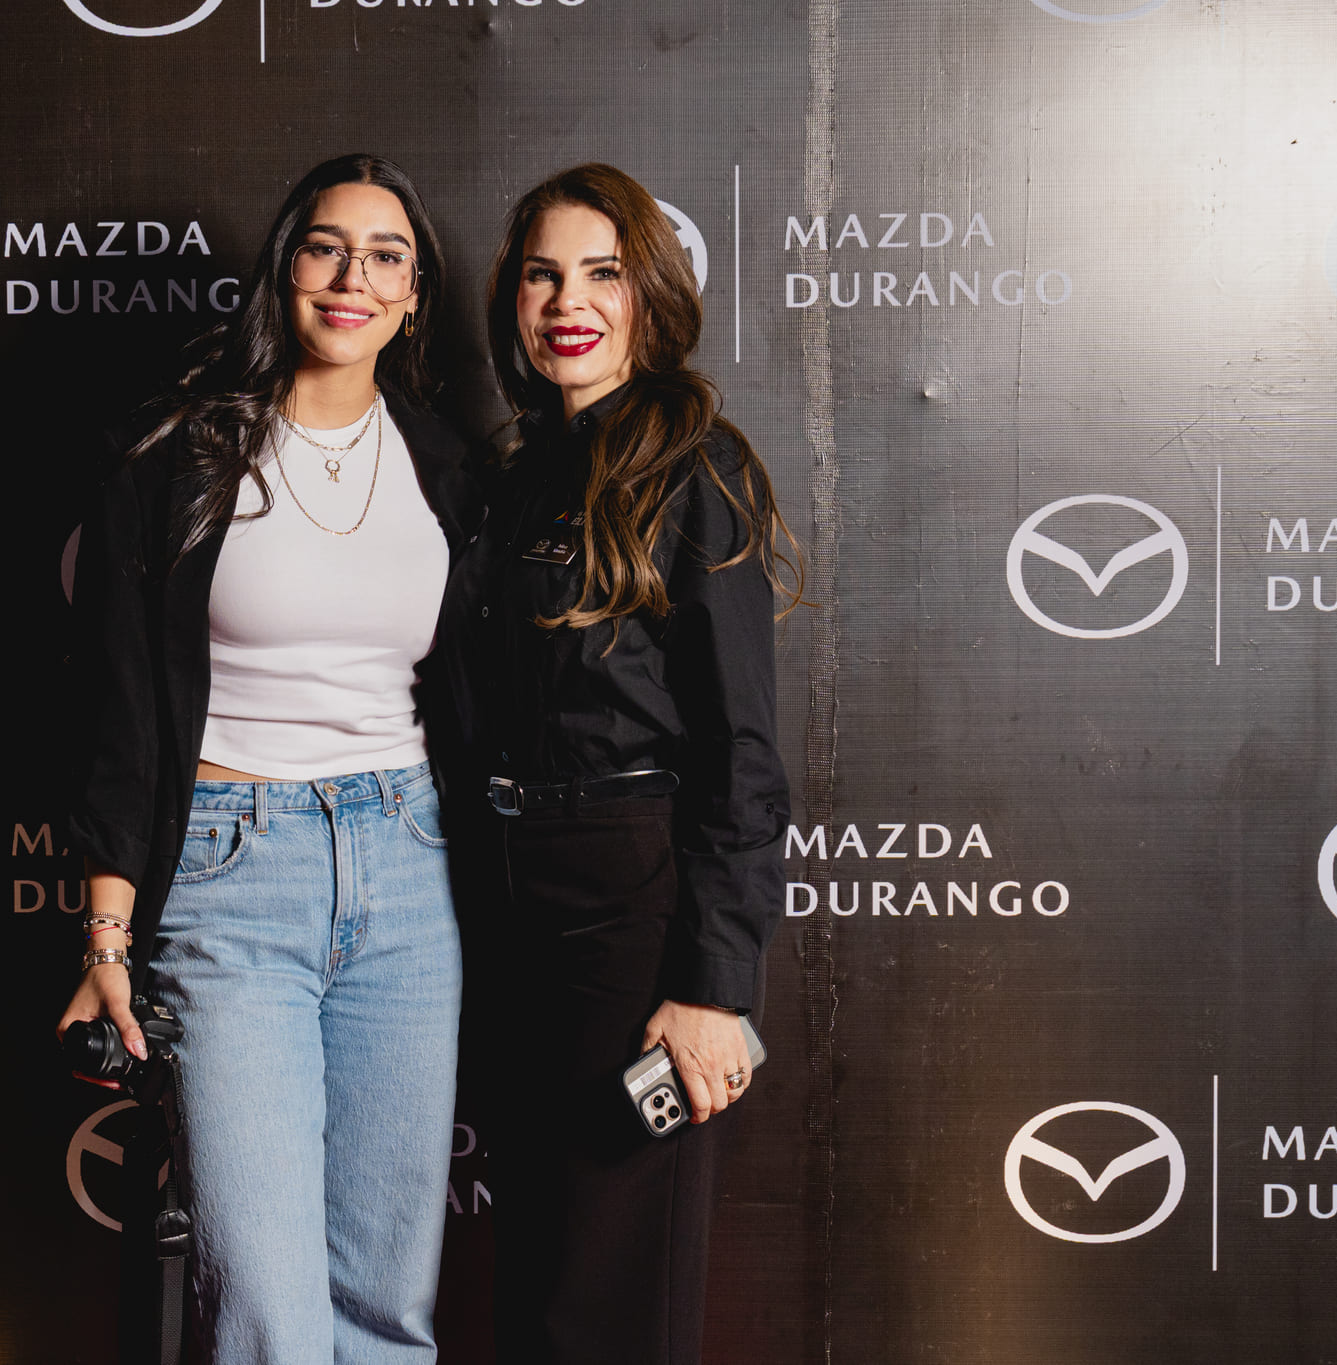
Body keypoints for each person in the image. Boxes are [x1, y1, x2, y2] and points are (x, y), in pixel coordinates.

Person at [57, 153, 480, 1365]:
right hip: (229, 871)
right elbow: (122, 717)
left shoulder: (448, 466)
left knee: (385, 1304)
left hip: (409, 868)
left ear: (413, 296)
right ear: (284, 269)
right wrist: (104, 942)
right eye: (325, 248)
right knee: (263, 1309)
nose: (353, 278)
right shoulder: (173, 456)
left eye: (386, 257)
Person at [459, 163, 801, 1364]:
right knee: (535, 1278)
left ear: (649, 296)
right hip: (503, 901)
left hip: (627, 905)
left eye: (601, 273)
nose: (568, 302)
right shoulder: (506, 478)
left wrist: (713, 985)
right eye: (542, 274)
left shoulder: (698, 467)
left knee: (604, 1292)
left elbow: (739, 746)